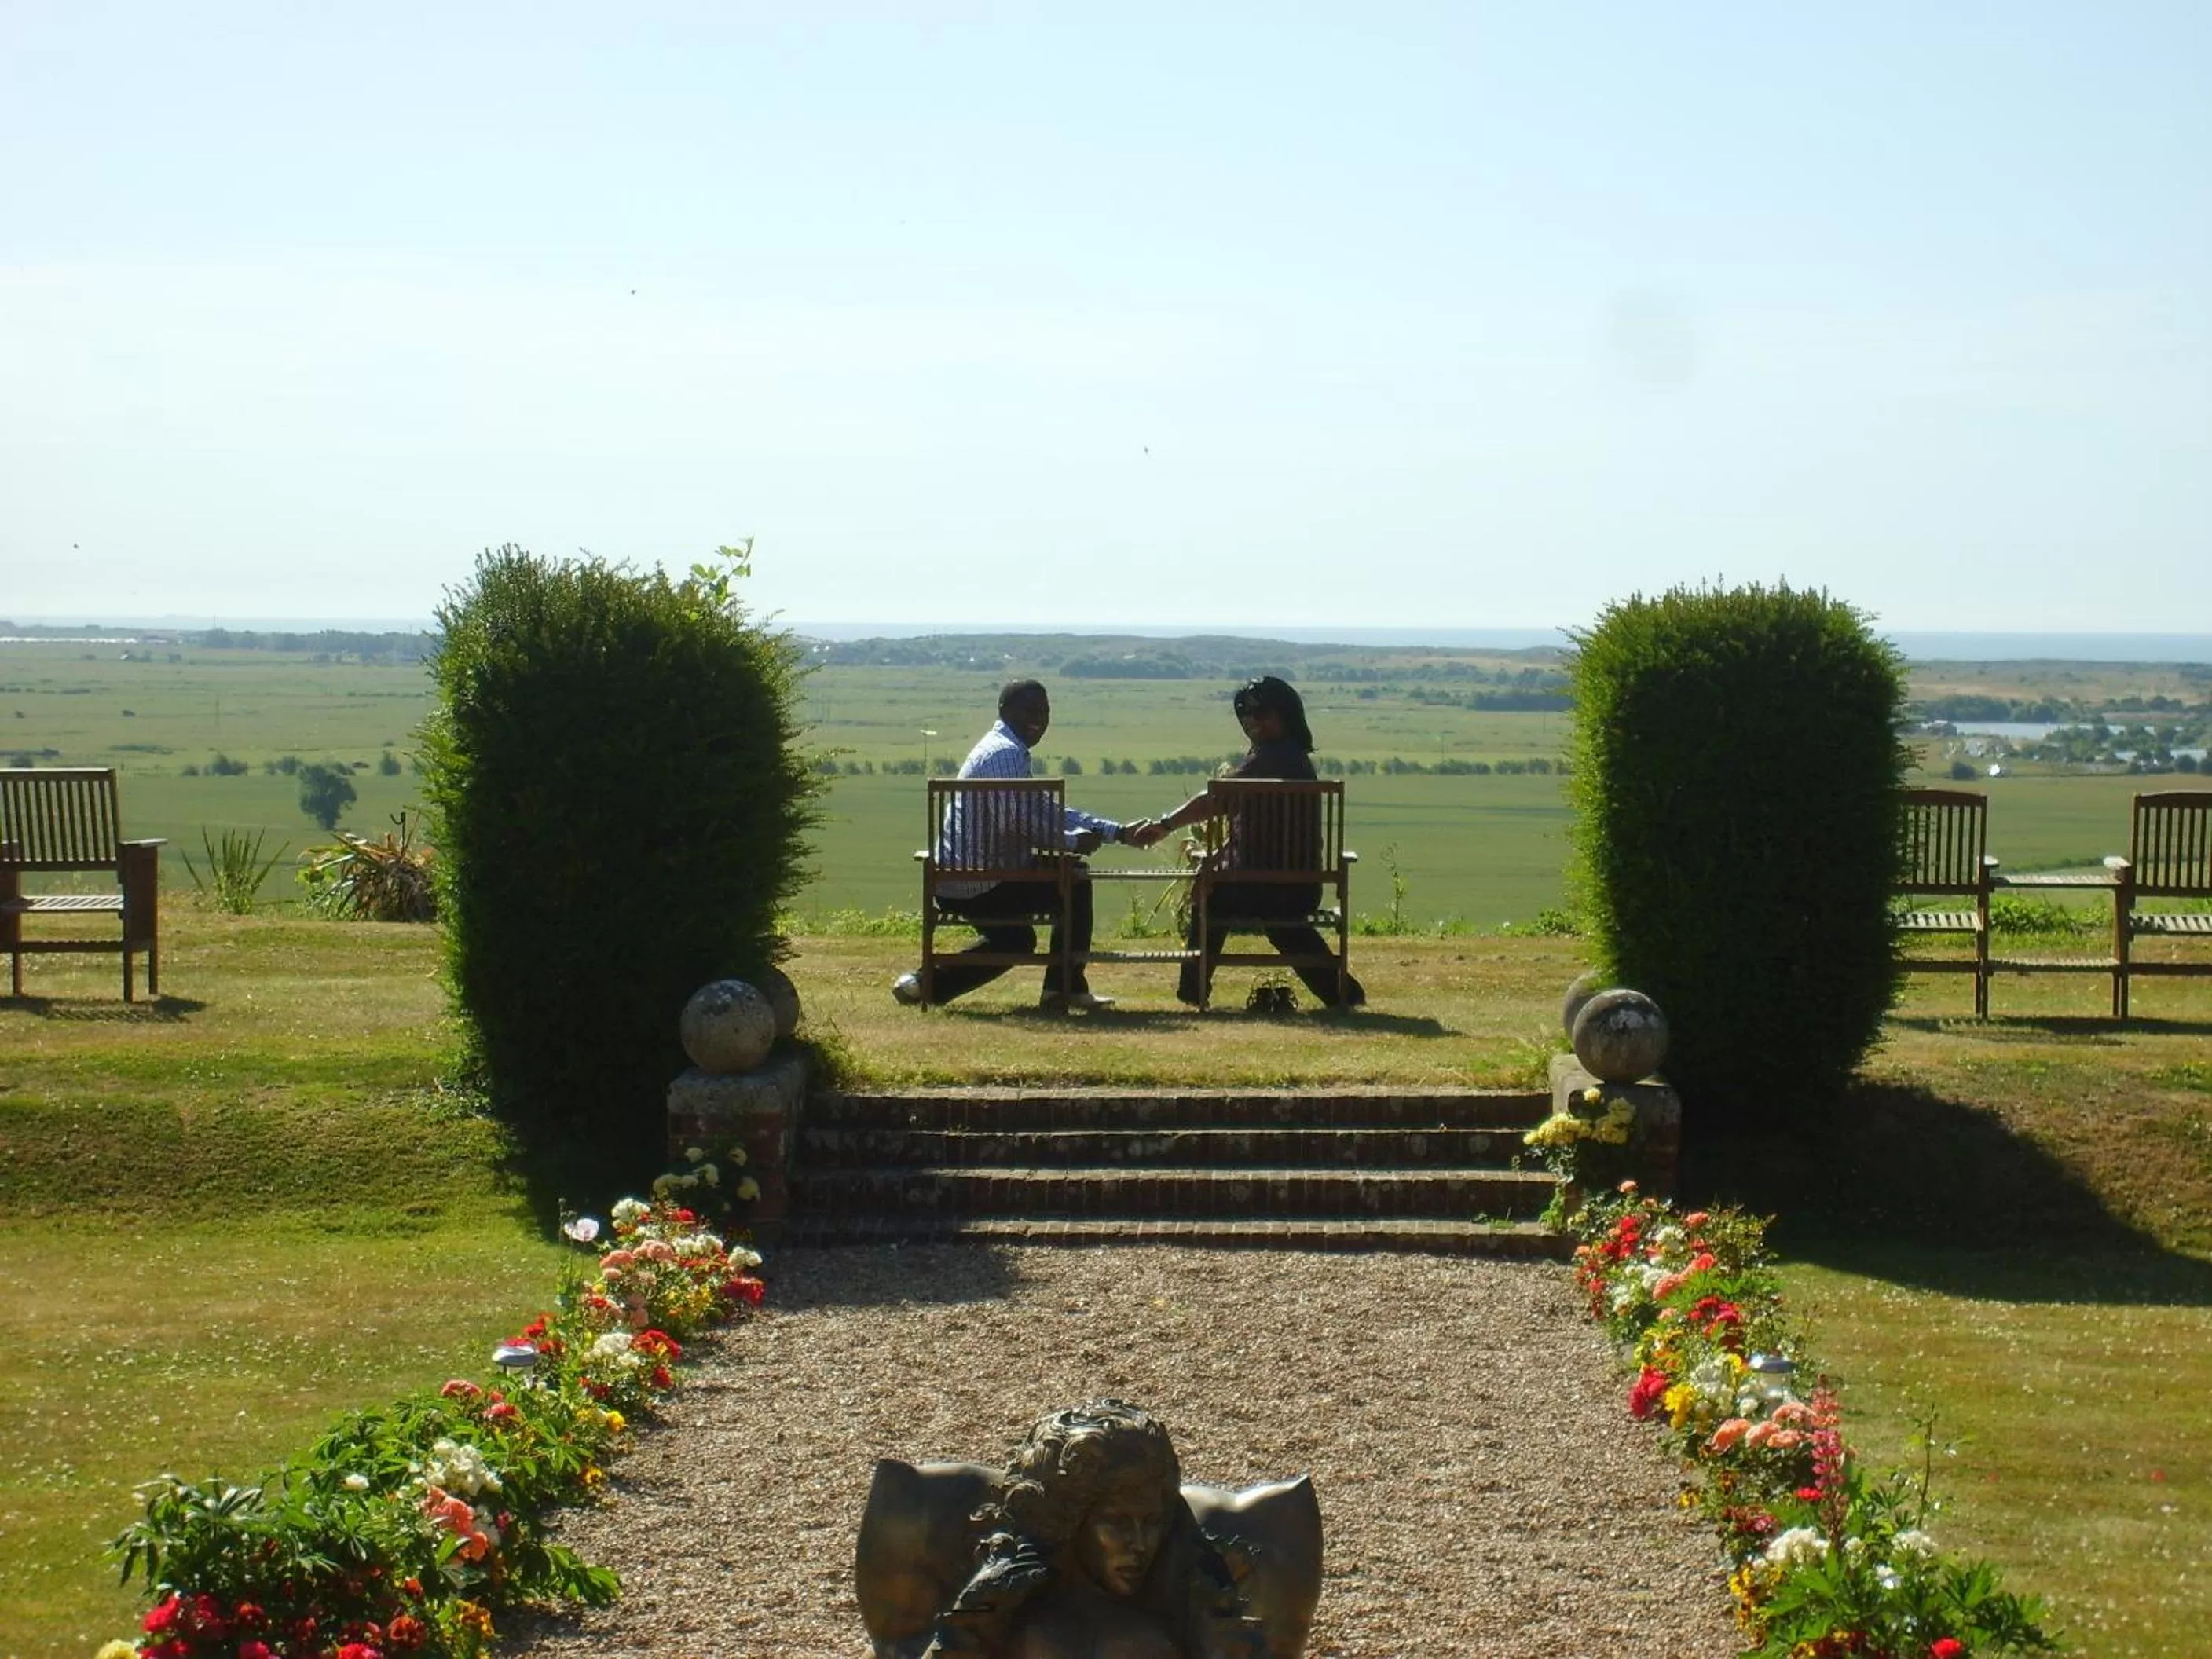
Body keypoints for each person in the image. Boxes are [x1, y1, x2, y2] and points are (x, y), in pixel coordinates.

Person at [920, 1400, 1265, 1659]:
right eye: (1117, 1522)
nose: (1140, 1544)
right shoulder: (1016, 1619)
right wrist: (971, 1619)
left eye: (1151, 1522)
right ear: (1071, 1520)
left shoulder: (1163, 1628)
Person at [895, 680, 1158, 1013]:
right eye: (1030, 711)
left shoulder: (1004, 748)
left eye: (1045, 711)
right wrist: (1072, 843)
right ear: (1005, 711)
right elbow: (1016, 824)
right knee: (1074, 880)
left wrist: (1115, 832)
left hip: (962, 875)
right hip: (982, 880)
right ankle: (1064, 988)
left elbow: (1046, 810)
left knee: (1017, 941)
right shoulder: (1005, 755)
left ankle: (922, 986)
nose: (1039, 719)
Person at [1151, 676, 1366, 1010]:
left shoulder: (1270, 758)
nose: (1252, 720)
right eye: (1245, 713)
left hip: (1261, 885)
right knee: (1284, 926)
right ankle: (1343, 994)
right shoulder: (1293, 757)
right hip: (1301, 887)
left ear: (1285, 715)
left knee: (1209, 898)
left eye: (1261, 712)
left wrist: (1166, 825)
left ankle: (1191, 990)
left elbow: (1216, 799)